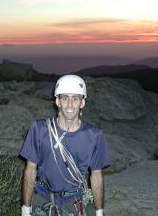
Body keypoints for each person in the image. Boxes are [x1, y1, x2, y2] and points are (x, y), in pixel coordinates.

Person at [20, 74, 112, 216]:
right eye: (65, 98)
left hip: (74, 201)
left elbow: (96, 176)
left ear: (82, 103)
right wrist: (25, 208)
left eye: (75, 99)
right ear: (57, 101)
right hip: (43, 198)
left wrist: (99, 211)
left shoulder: (94, 136)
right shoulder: (39, 130)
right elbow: (30, 170)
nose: (70, 105)